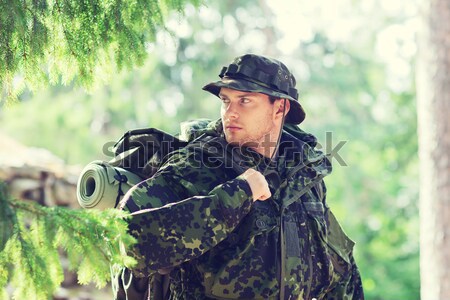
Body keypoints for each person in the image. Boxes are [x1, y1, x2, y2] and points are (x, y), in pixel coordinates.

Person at [118, 54, 364, 299]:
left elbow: (340, 268)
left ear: (280, 107)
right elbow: (128, 241)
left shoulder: (303, 176)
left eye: (244, 101)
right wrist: (237, 195)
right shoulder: (196, 165)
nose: (230, 113)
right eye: (226, 100)